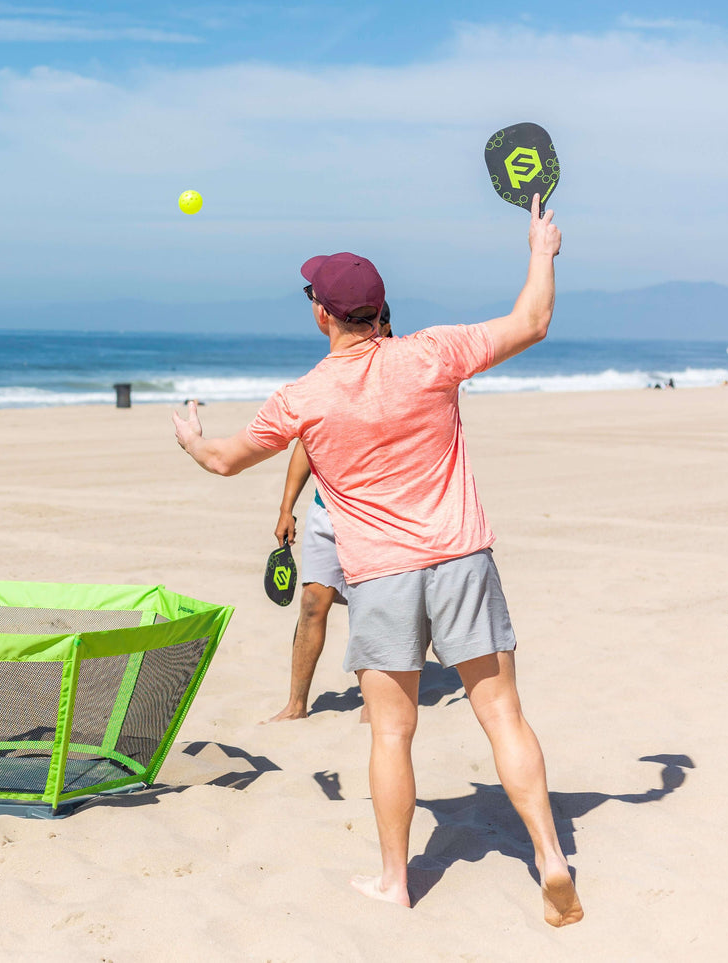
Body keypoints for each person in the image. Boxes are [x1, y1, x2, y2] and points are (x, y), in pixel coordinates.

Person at [171, 196, 582, 926]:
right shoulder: (432, 352)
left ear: (322, 315)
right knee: (504, 715)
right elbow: (531, 321)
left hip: (382, 577)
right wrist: (540, 250)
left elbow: (224, 461)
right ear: (378, 308)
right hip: (461, 559)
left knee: (390, 732)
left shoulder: (303, 397)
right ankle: (549, 855)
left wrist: (189, 437)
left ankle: (396, 879)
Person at [266, 302, 391, 723]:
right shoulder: (331, 377)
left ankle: (372, 705)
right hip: (325, 513)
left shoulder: (398, 378)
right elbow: (306, 444)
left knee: (368, 608)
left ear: (384, 326)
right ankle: (296, 704)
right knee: (312, 603)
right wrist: (287, 508)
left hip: (376, 520)